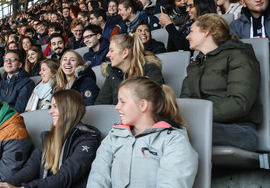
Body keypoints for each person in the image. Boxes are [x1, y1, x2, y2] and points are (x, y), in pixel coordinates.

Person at [88, 77, 198, 188]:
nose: (117, 107)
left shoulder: (174, 140)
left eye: (122, 102)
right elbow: (97, 178)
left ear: (143, 105)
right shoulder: (114, 136)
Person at [0, 89, 101, 188]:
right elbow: (30, 169)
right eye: (51, 106)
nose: (50, 111)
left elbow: (65, 177)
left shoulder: (87, 140)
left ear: (69, 109)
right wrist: (6, 184)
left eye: (55, 106)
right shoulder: (48, 137)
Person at [182, 14, 262, 151]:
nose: (187, 37)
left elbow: (239, 102)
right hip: (204, 124)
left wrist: (199, 117)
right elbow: (186, 101)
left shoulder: (238, 55)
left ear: (206, 31)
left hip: (240, 129)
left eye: (192, 31)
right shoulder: (194, 66)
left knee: (178, 134)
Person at [96, 34, 164, 105]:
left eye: (111, 51)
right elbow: (100, 104)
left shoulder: (151, 70)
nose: (107, 55)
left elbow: (156, 100)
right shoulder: (113, 74)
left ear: (125, 53)